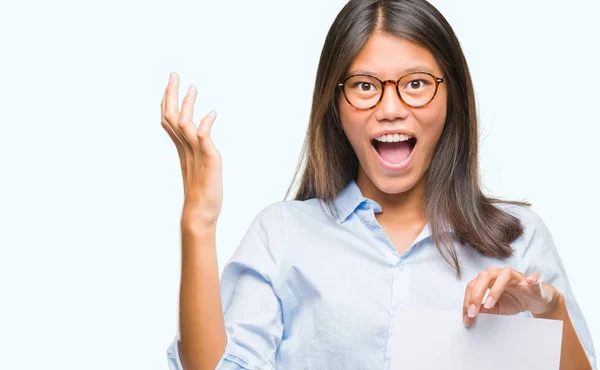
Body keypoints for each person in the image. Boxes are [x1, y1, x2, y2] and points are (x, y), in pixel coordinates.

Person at [160, 0, 597, 369]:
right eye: (365, 85)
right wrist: (198, 223)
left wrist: (548, 310)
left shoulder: (520, 238)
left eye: (417, 84)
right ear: (335, 104)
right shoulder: (282, 234)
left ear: (452, 98)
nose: (391, 108)